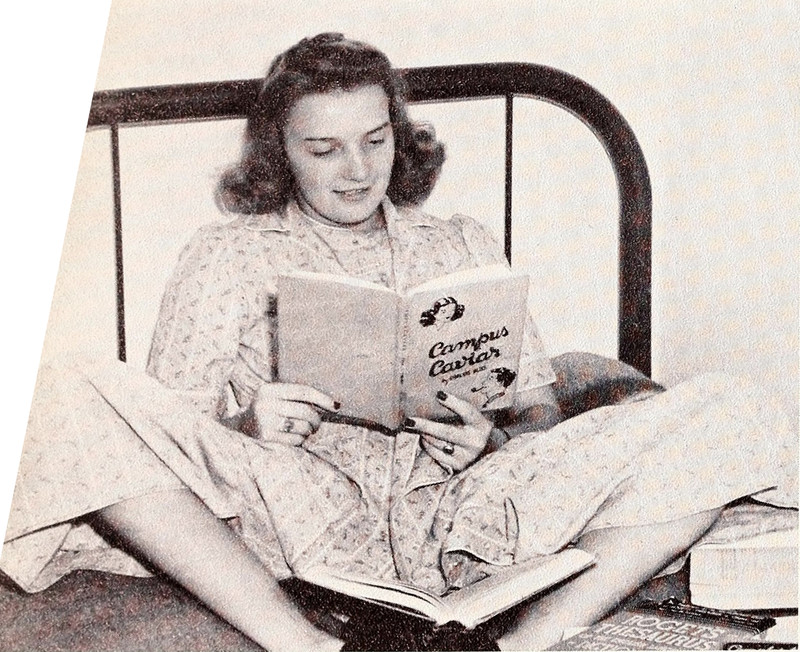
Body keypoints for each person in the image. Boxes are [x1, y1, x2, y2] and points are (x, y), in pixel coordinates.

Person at [1, 33, 796, 652]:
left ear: (398, 135)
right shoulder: (226, 255)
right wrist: (246, 425)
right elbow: (163, 434)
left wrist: (492, 438)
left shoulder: (459, 244)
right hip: (290, 512)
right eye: (324, 149)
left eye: (375, 140)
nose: (356, 170)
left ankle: (527, 641)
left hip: (460, 513)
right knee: (63, 386)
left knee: (736, 406)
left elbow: (542, 410)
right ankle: (302, 642)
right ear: (280, 151)